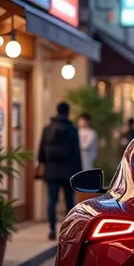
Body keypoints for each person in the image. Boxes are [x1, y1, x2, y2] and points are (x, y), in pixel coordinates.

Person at [37, 102, 82, 240]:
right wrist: (79, 173)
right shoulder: (72, 129)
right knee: (69, 201)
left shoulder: (48, 128)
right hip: (68, 171)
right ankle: (68, 231)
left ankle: (51, 229)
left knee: (52, 201)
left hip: (52, 170)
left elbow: (41, 152)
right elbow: (76, 153)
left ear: (57, 111)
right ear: (68, 112)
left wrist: (42, 164)